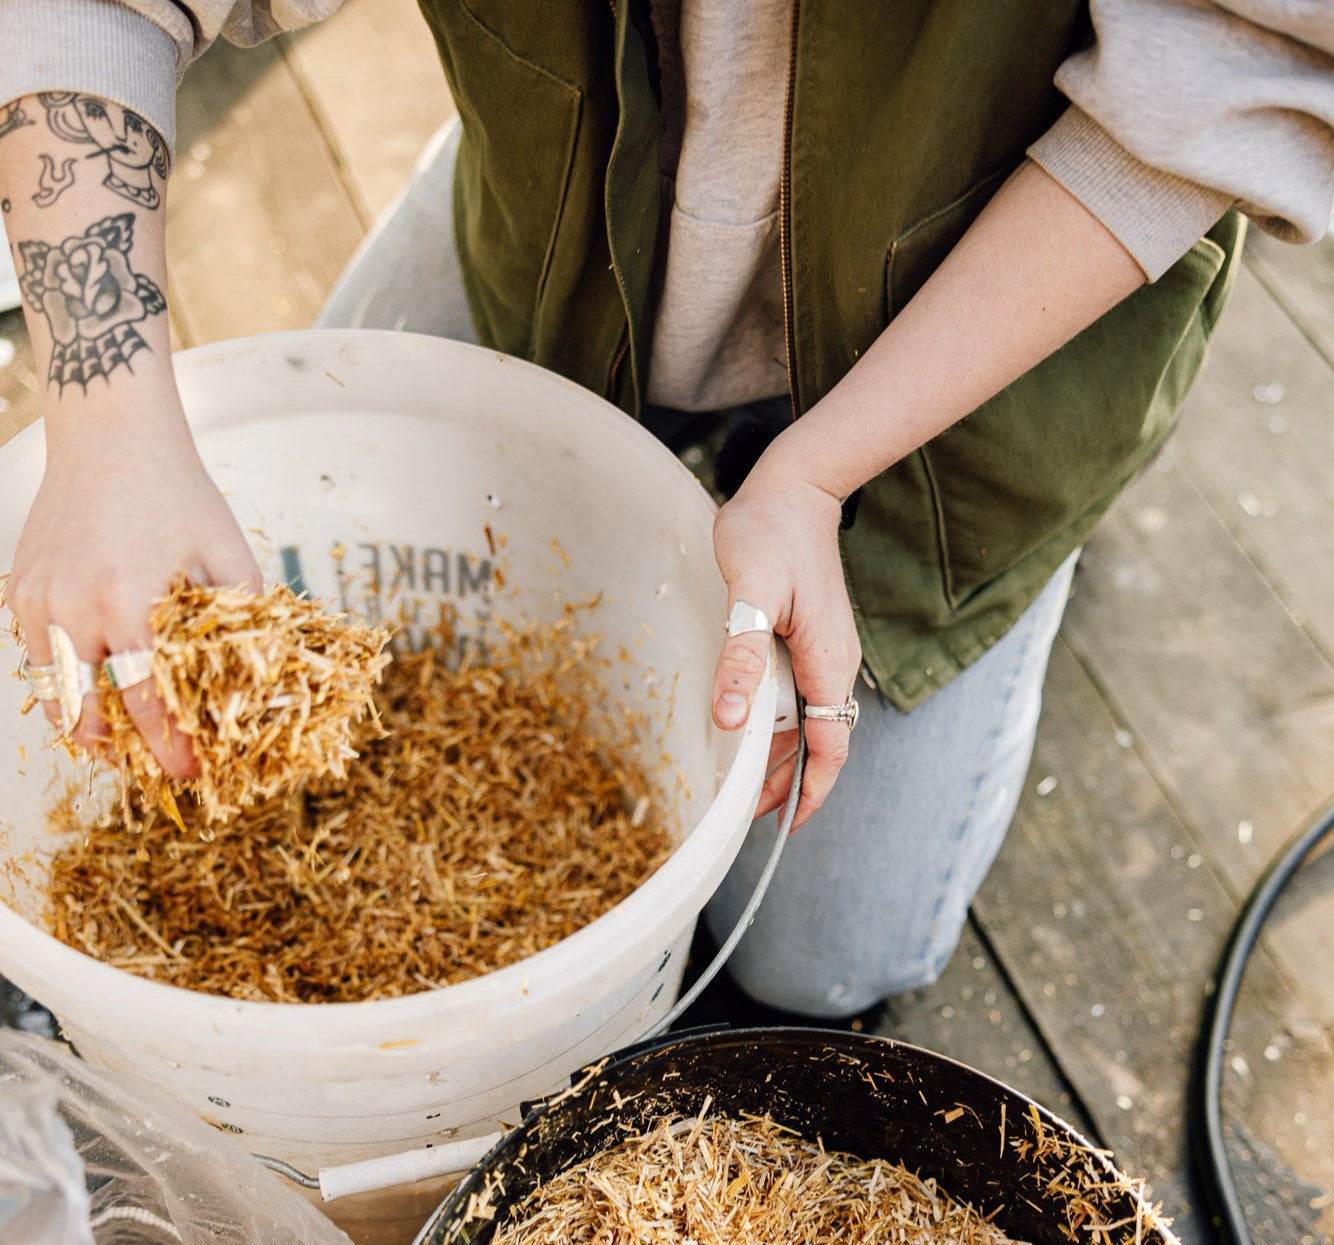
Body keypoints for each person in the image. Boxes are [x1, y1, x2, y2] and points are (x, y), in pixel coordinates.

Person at [1, 1, 1331, 1018]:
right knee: (336, 539)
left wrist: (813, 472)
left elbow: (1224, 68)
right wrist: (107, 420)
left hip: (980, 321)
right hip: (573, 222)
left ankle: (998, 555)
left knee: (820, 955)